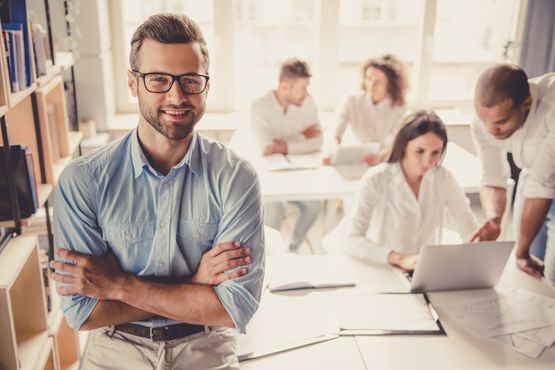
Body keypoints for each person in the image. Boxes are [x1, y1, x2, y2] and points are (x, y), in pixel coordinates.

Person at [49, 13, 264, 369]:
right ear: (133, 84)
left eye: (190, 80)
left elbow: (233, 307)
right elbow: (82, 313)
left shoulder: (235, 177)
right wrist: (193, 282)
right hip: (115, 350)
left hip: (206, 347)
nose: (176, 96)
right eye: (159, 79)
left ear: (206, 87)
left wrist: (116, 285)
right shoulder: (83, 180)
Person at [345, 111, 498, 270]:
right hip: (382, 267)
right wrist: (399, 258)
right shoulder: (376, 179)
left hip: (424, 269)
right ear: (404, 146)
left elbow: (467, 229)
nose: (428, 161)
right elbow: (352, 239)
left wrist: (480, 241)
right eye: (419, 151)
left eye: (435, 152)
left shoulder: (443, 178)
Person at [472, 64, 555, 284]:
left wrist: (521, 250)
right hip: (533, 179)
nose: (490, 129)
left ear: (526, 105)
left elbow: (542, 185)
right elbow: (493, 177)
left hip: (543, 183)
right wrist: (493, 217)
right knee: (530, 272)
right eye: (484, 120)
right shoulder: (485, 121)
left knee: (553, 275)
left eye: (500, 122)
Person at [251, 58, 322, 251]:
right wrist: (301, 136)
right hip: (268, 177)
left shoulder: (308, 102)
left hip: (297, 174)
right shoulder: (260, 106)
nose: (306, 93)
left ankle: (291, 248)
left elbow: (318, 141)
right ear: (285, 86)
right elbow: (266, 148)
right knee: (275, 207)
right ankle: (267, 254)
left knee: (314, 204)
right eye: (303, 87)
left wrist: (283, 146)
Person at [323, 54, 409, 165]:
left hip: (383, 159)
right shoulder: (351, 100)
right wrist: (333, 150)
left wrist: (381, 157)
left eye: (378, 81)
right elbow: (335, 132)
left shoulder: (399, 106)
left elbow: (398, 141)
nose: (372, 85)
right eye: (368, 79)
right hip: (353, 156)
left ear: (389, 84)